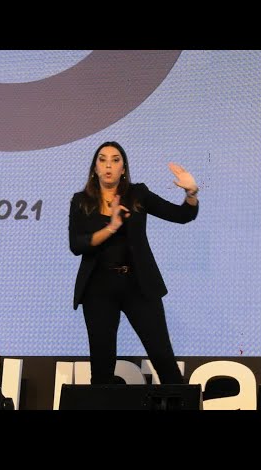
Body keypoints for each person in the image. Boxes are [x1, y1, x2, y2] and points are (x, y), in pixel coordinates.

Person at [68, 141, 199, 385]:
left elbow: (182, 215)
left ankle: (178, 401)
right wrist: (111, 228)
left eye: (115, 160)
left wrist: (191, 193)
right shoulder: (81, 201)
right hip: (98, 289)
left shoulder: (138, 194)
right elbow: (77, 244)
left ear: (123, 168)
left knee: (164, 360)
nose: (108, 165)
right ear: (95, 168)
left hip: (139, 285)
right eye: (102, 160)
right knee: (102, 369)